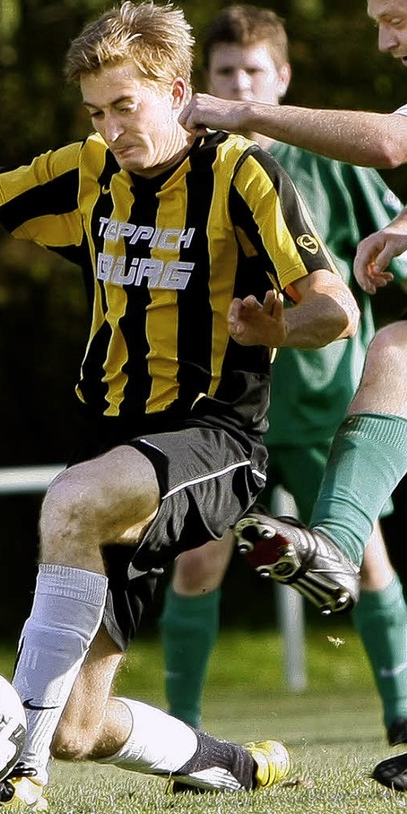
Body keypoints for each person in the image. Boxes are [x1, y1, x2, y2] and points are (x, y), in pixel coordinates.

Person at [0, 2, 361, 808]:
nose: (112, 127)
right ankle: (233, 764)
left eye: (126, 106)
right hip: (112, 445)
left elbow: (337, 310)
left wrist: (283, 325)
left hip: (214, 439)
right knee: (81, 727)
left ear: (176, 90)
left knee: (70, 502)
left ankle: (15, 770)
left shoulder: (242, 174)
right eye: (97, 111)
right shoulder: (88, 170)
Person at [160, 2, 407, 753]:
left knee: (367, 559)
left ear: (283, 77)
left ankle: (400, 712)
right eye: (376, 19)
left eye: (396, 16)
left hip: (324, 397)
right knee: (201, 556)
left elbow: (392, 144)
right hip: (228, 404)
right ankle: (181, 734)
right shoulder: (182, 168)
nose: (384, 38)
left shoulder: (329, 156)